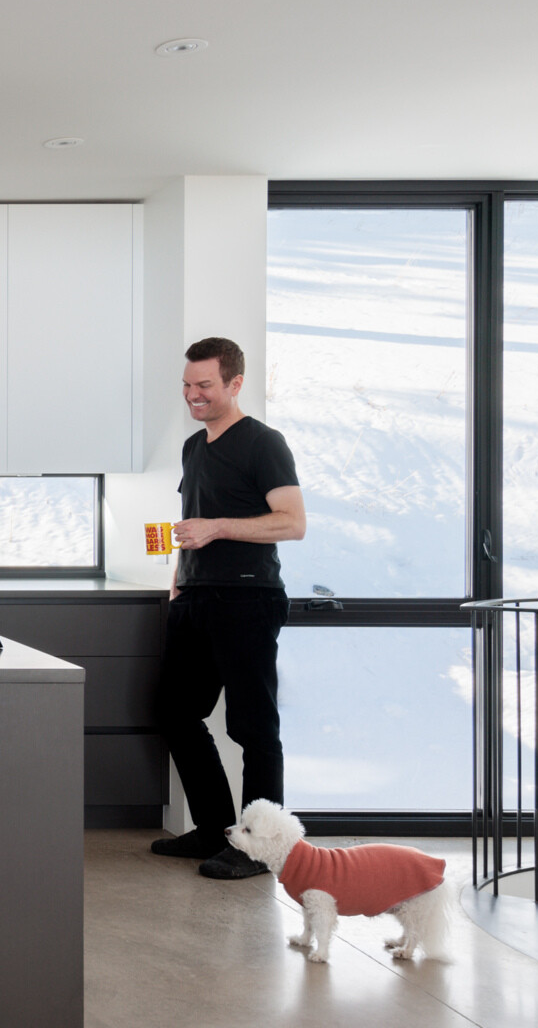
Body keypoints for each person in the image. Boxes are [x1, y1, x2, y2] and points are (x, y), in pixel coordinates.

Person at [150, 337, 306, 879]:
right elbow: (193, 520)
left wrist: (217, 528)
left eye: (204, 385)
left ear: (235, 383)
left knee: (253, 728)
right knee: (174, 712)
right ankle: (219, 829)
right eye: (188, 386)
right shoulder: (195, 448)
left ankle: (260, 851)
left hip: (247, 599)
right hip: (194, 597)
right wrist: (178, 580)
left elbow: (292, 522)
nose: (193, 395)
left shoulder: (264, 443)